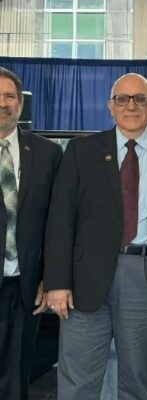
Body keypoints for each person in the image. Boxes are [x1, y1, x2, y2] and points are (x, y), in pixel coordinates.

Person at [43, 73, 147, 399]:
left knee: (138, 378)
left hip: (146, 275)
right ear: (110, 106)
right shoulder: (81, 150)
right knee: (78, 378)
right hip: (84, 278)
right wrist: (56, 282)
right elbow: (60, 219)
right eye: (122, 99)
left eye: (140, 99)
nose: (131, 106)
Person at [0, 67, 62, 399]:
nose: (3, 103)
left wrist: (49, 277)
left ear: (20, 104)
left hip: (25, 286)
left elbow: (57, 222)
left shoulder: (47, 153)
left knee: (18, 374)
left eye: (9, 96)